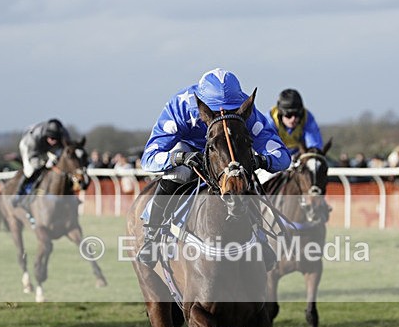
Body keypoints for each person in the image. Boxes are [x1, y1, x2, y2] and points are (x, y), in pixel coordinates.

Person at [138, 67, 293, 267]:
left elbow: (282, 157)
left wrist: (259, 162)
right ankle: (152, 237)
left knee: (243, 175)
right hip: (190, 151)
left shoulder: (247, 110)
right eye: (216, 108)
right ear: (201, 105)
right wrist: (181, 157)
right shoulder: (180, 106)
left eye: (230, 108)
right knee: (176, 174)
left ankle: (259, 235)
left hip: (227, 156)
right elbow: (149, 158)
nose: (223, 113)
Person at [13, 118, 71, 206]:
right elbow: (32, 156)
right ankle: (20, 194)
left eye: (55, 139)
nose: (53, 141)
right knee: (31, 170)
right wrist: (42, 164)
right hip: (29, 148)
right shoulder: (34, 137)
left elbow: (67, 151)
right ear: (47, 135)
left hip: (48, 148)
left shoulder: (65, 135)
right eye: (51, 138)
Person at [267, 88, 324, 157]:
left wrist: (313, 151)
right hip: (276, 155)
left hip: (300, 155)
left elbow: (314, 144)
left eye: (297, 115)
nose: (293, 119)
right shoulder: (269, 121)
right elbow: (266, 147)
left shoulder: (307, 117)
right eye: (289, 115)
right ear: (280, 113)